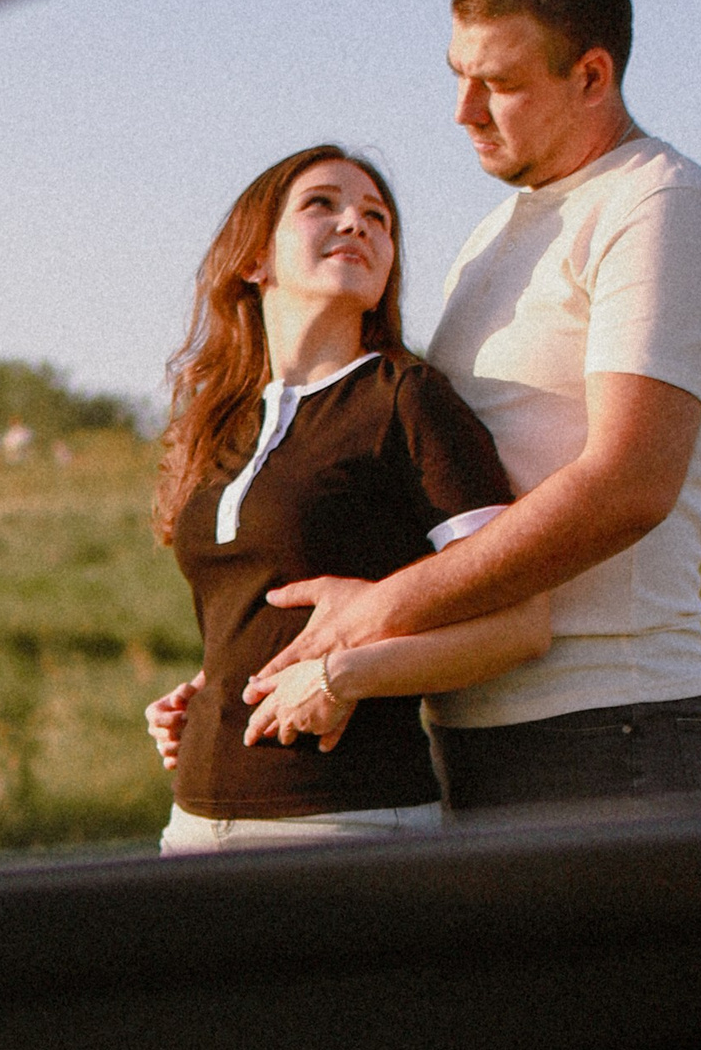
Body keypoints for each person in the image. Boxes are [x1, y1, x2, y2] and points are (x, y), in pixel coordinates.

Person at [237, 0, 701, 813]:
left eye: (501, 83)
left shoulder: (661, 206)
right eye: (457, 74)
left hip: (606, 724)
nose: (464, 111)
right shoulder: (494, 237)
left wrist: (383, 609)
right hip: (465, 721)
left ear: (591, 75)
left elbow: (630, 482)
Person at [141, 144, 552, 851]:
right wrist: (209, 689)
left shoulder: (408, 401)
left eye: (378, 217)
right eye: (321, 204)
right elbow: (258, 612)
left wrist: (345, 676)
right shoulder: (220, 423)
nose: (356, 223)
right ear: (253, 258)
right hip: (192, 824)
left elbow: (521, 623)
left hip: (346, 820)